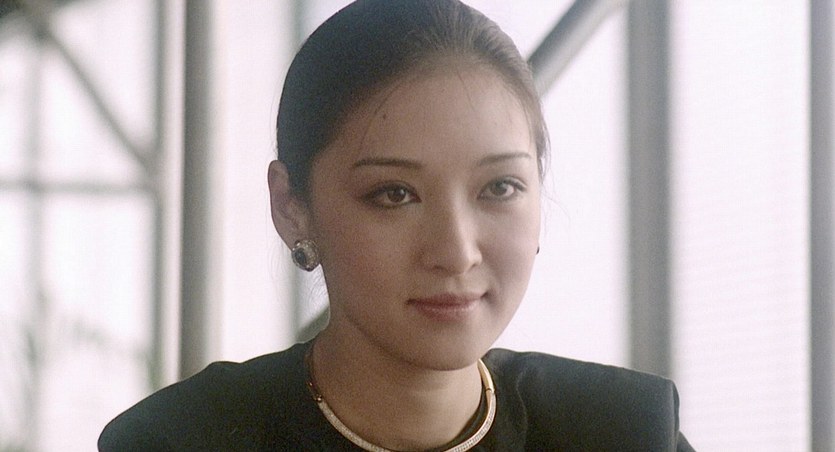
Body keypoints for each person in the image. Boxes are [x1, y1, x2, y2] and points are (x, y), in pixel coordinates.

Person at [99, 0, 695, 450]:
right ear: (291, 207)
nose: (456, 251)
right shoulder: (182, 441)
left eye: (499, 188)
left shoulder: (622, 433)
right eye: (394, 194)